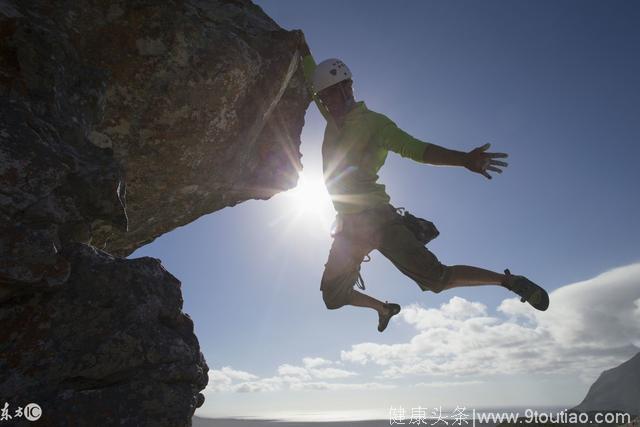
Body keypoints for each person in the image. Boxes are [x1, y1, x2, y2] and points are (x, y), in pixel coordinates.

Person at [297, 35, 549, 333]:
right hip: (349, 227)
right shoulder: (331, 116)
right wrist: (302, 48)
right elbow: (312, 77)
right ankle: (384, 309)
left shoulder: (376, 124)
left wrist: (464, 159)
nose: (329, 104)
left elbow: (417, 149)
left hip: (379, 219)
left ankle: (509, 281)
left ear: (347, 87)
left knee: (436, 280)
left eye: (333, 96)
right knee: (332, 296)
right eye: (325, 99)